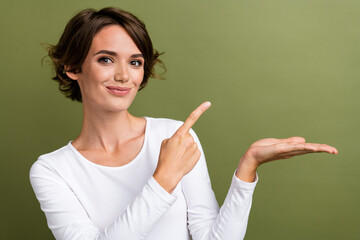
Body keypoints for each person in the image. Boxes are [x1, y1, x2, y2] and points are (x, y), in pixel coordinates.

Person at [29, 7, 338, 240]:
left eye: (135, 62)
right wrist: (163, 179)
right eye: (106, 59)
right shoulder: (52, 171)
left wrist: (247, 169)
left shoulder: (174, 136)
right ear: (72, 67)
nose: (124, 76)